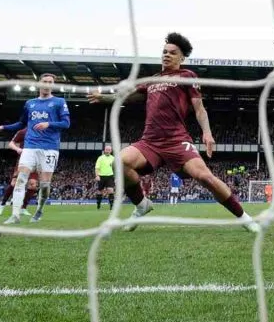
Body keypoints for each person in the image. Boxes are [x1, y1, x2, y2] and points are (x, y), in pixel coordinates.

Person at [90, 32, 259, 232]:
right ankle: (142, 205)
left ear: (182, 58)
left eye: (172, 52)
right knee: (119, 161)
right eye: (164, 52)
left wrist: (207, 132)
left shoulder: (187, 77)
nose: (167, 55)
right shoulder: (152, 80)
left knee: (205, 177)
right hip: (149, 141)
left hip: (177, 140)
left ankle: (245, 218)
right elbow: (127, 98)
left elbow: (199, 108)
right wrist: (104, 98)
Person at [0, 73, 70, 224]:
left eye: (50, 82)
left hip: (49, 148)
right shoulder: (30, 103)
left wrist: (49, 124)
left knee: (45, 185)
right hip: (30, 146)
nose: (47, 84)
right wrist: (3, 127)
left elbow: (66, 123)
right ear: (39, 84)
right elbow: (21, 123)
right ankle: (15, 215)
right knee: (21, 179)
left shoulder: (59, 102)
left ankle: (39, 210)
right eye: (45, 81)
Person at [0, 128, 35, 218]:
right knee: (14, 183)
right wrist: (18, 149)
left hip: (35, 161)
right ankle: (2, 205)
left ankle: (23, 208)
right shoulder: (23, 132)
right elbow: (11, 144)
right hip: (23, 160)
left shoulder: (41, 131)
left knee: (33, 185)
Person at [94, 145, 116, 210]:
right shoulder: (100, 158)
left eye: (109, 150)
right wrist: (97, 175)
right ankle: (98, 205)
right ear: (104, 150)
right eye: (106, 150)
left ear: (111, 151)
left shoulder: (113, 158)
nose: (107, 151)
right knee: (99, 192)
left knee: (110, 190)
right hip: (101, 176)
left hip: (110, 176)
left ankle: (111, 207)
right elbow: (97, 168)